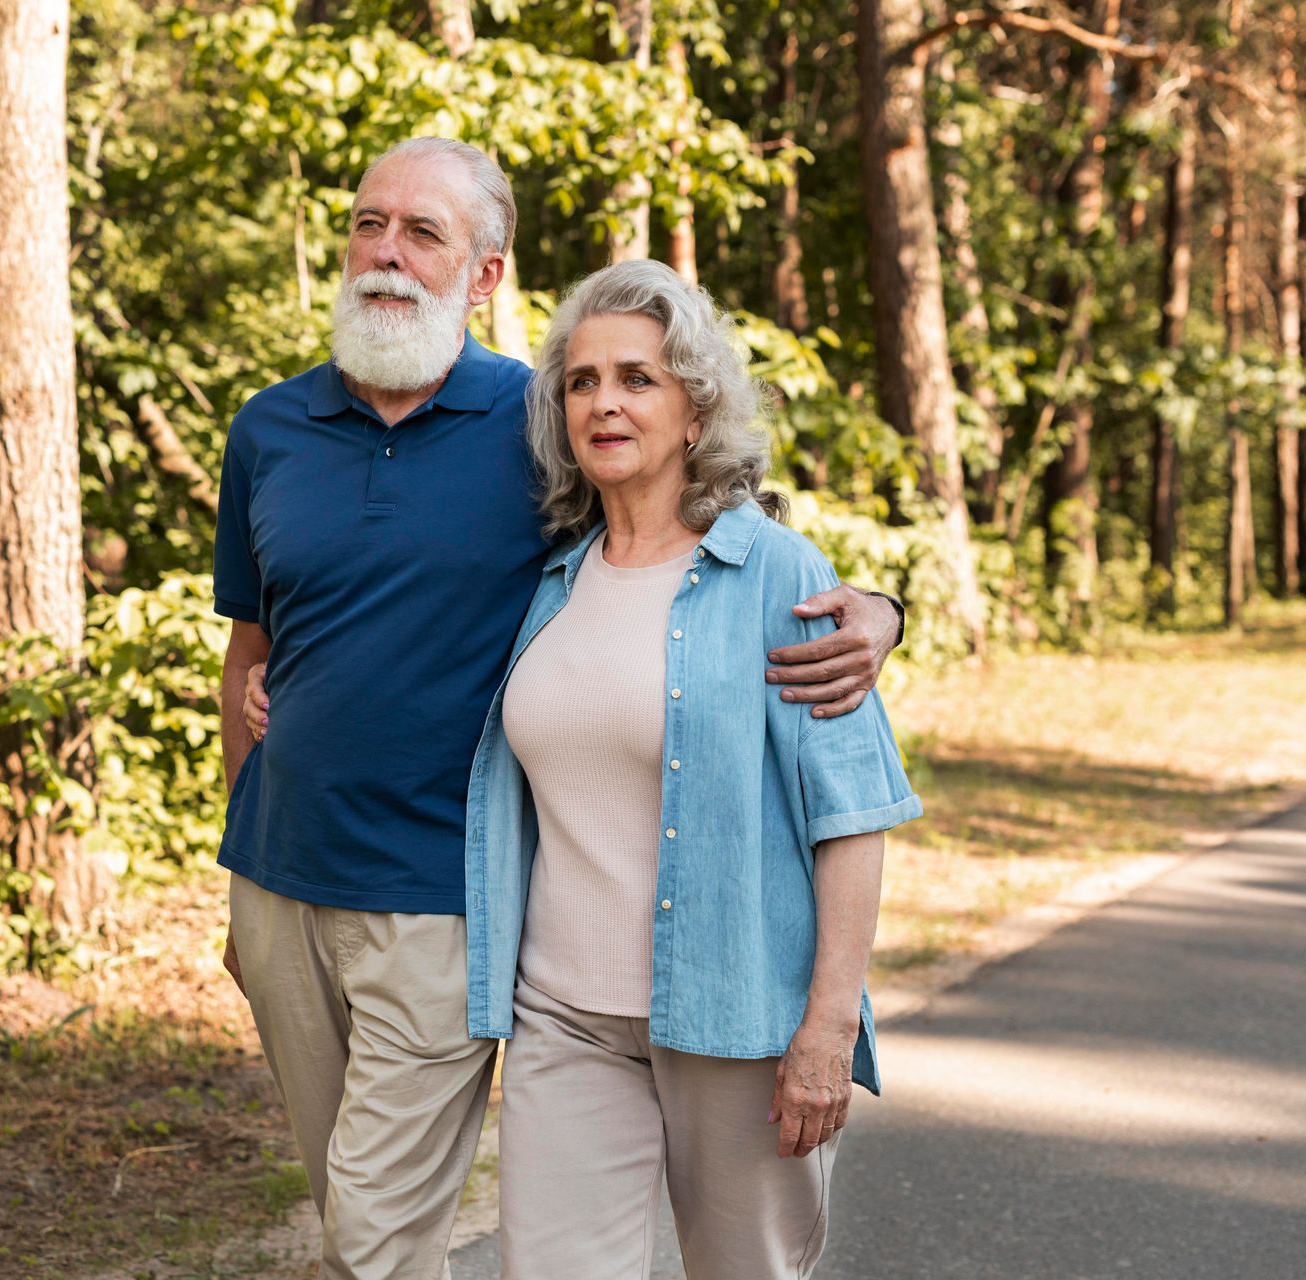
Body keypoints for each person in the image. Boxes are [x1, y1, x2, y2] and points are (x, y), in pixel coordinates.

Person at [213, 138, 904, 1280]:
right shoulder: (296, 443)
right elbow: (266, 644)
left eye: (424, 231)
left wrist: (881, 609)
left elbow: (735, 566)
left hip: (553, 940)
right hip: (424, 952)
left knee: (388, 1240)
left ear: (484, 272)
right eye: (368, 222)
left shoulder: (605, 468)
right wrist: (245, 818)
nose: (385, 252)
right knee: (414, 1229)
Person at [460, 259, 922, 1279]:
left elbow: (850, 816)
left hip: (737, 1017)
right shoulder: (548, 579)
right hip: (562, 1017)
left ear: (695, 409)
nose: (604, 401)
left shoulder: (780, 577)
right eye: (581, 381)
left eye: (637, 377)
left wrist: (825, 1028)